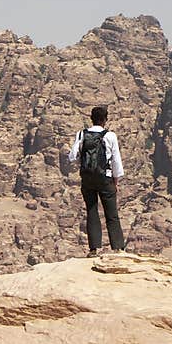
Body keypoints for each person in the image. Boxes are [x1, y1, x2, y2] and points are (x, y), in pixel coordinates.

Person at [68, 106, 126, 257]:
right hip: (105, 178)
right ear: (105, 119)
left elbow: (72, 156)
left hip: (87, 179)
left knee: (92, 211)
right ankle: (118, 248)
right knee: (111, 213)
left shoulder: (81, 134)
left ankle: (94, 249)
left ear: (91, 118)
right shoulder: (110, 136)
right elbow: (116, 160)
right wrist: (116, 180)